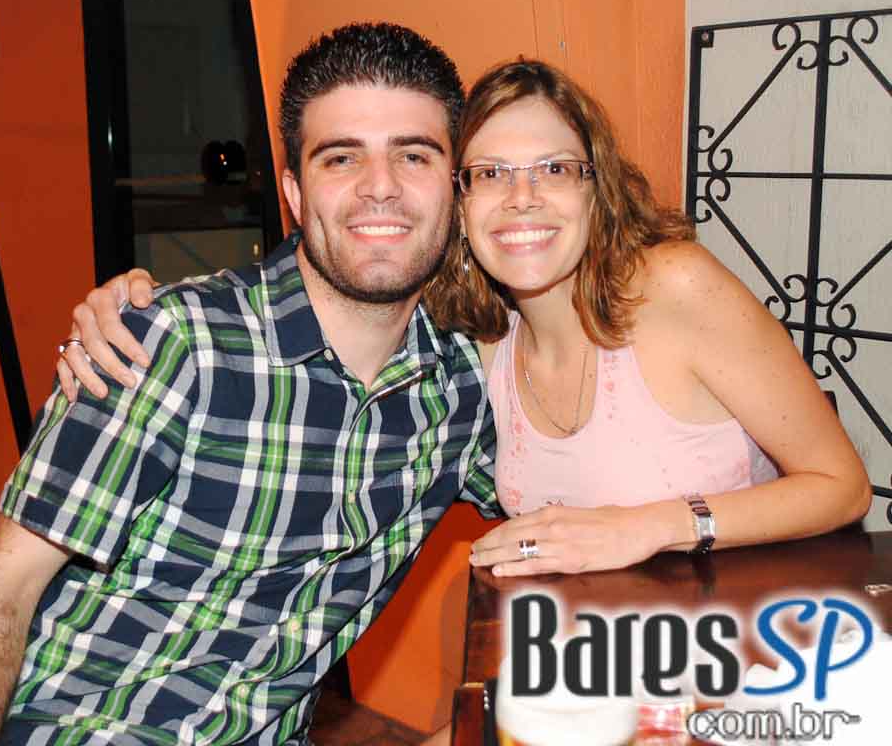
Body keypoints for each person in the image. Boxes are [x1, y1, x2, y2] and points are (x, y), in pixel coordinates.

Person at [0, 23, 501, 746]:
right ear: (294, 193)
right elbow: (2, 581)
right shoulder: (170, 343)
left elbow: (582, 493)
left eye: (412, 155)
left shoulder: (458, 392)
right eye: (341, 157)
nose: (379, 187)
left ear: (454, 188)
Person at [69, 60, 870, 582]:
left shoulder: (673, 288)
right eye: (490, 174)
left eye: (554, 168)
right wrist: (139, 302)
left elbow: (842, 486)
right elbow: (341, 291)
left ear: (597, 187)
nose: (523, 198)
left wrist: (649, 527)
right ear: (458, 203)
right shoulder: (474, 352)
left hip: (742, 649)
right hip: (584, 667)